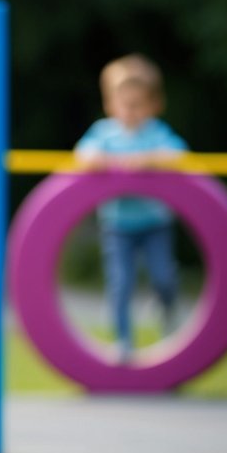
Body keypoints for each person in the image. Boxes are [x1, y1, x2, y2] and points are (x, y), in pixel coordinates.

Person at [74, 53, 187, 364]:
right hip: (118, 225)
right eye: (125, 104)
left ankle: (167, 311)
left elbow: (178, 156)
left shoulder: (156, 133)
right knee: (120, 285)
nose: (131, 111)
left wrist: (149, 158)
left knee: (163, 276)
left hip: (154, 222)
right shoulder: (104, 134)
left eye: (139, 104)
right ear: (111, 104)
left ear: (153, 105)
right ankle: (124, 342)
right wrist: (97, 159)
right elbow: (83, 155)